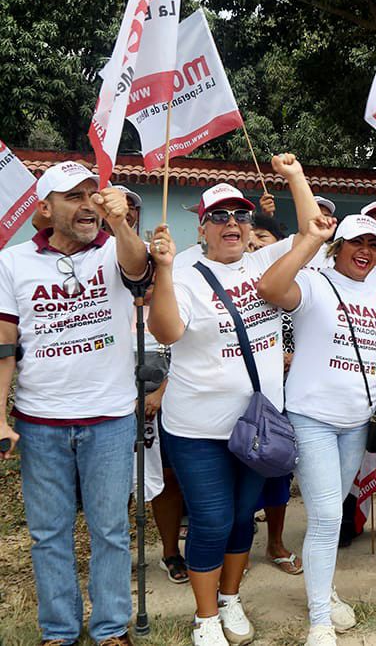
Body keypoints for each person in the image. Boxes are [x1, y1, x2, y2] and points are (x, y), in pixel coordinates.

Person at [148, 154, 318, 646]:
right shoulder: (181, 271)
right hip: (198, 427)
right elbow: (167, 330)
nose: (232, 224)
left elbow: (314, 228)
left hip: (257, 427)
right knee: (213, 518)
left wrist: (294, 176)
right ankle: (205, 618)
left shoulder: (266, 260)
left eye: (240, 216)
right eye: (219, 216)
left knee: (244, 516)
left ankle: (231, 598)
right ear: (201, 228)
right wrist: (160, 271)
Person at [0, 161, 149, 646]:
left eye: (92, 194)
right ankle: (58, 631)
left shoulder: (114, 249)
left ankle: (110, 630)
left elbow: (139, 268)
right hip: (40, 421)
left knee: (109, 530)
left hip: (109, 418)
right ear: (45, 209)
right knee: (48, 533)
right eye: (73, 196)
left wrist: (121, 220)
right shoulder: (13, 262)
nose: (88, 204)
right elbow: (5, 345)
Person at [256, 213, 376, 646]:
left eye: (373, 244)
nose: (365, 251)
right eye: (356, 242)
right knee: (330, 514)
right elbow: (270, 289)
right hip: (312, 418)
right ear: (339, 247)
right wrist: (308, 243)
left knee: (330, 517)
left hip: (355, 423)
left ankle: (324, 588)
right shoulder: (315, 282)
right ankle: (319, 619)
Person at [246, 213, 302, 576]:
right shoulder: (227, 282)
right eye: (248, 240)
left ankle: (276, 542)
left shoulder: (300, 283)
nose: (252, 245)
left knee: (278, 469)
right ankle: (236, 547)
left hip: (285, 393)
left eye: (261, 238)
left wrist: (294, 357)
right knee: (241, 471)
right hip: (239, 395)